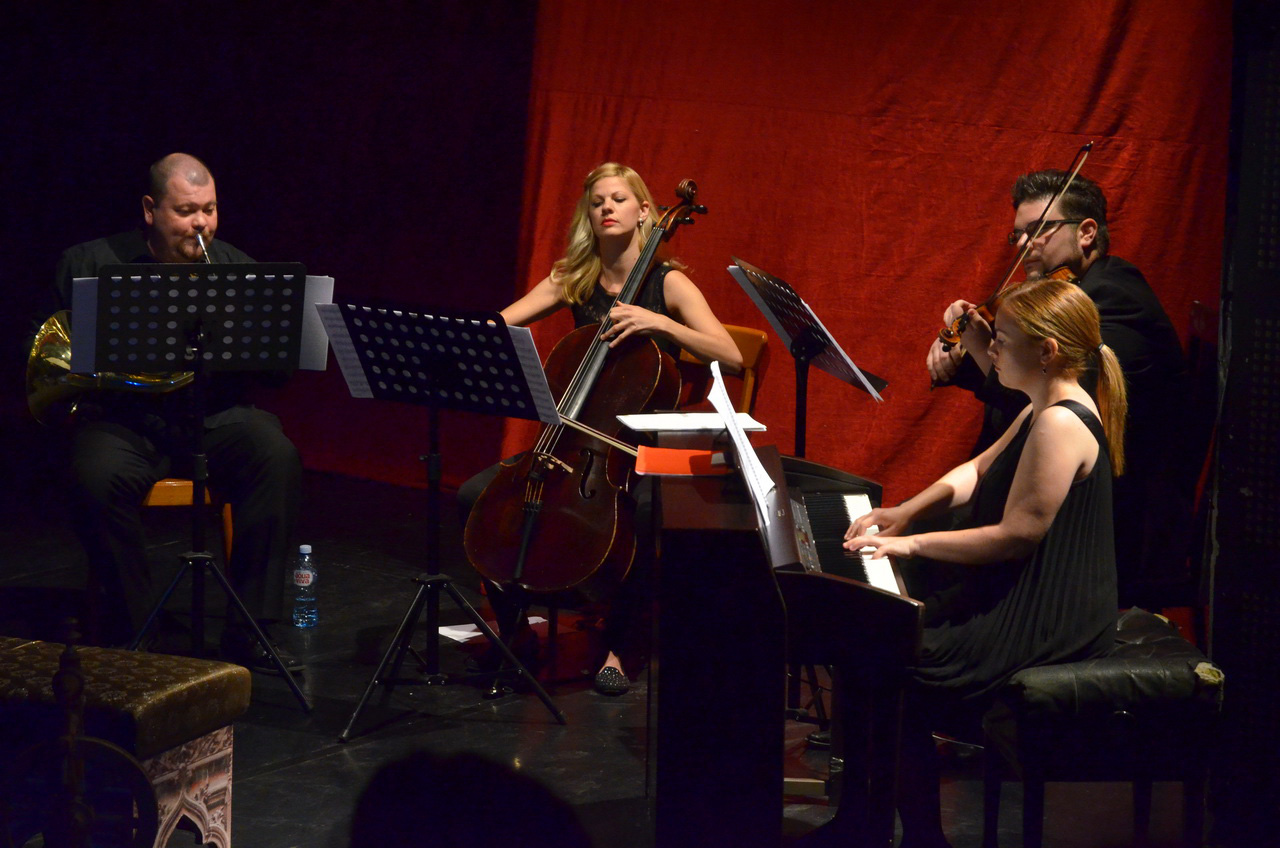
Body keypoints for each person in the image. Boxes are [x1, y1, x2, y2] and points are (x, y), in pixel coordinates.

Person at [845, 276, 1126, 848]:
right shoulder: (1040, 408)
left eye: (1002, 339)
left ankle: (916, 837)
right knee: (874, 641)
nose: (990, 348)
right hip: (1030, 594)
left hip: (1048, 617)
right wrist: (904, 511)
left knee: (890, 664)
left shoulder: (1061, 422)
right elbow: (976, 470)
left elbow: (1015, 536)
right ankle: (863, 825)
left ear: (1046, 351)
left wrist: (912, 544)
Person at [457, 162, 742, 695]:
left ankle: (624, 642)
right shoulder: (575, 278)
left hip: (649, 445)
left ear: (644, 212)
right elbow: (503, 322)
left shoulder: (668, 283)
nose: (607, 207)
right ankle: (516, 632)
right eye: (597, 202)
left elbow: (730, 353)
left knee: (646, 513)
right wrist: (457, 334)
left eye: (619, 199)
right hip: (578, 440)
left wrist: (660, 321)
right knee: (476, 495)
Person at [52, 152, 302, 673]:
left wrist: (270, 343)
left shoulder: (237, 269)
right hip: (123, 420)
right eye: (186, 211)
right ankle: (136, 629)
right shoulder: (90, 263)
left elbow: (276, 375)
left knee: (273, 453)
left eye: (209, 209)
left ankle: (251, 630)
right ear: (151, 210)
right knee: (94, 475)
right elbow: (47, 345)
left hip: (211, 418)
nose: (200, 224)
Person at [926, 169, 1188, 609]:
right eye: (1018, 234)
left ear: (1086, 233)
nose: (1024, 245)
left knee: (919, 573)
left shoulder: (1114, 301)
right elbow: (1026, 386)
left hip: (1096, 524)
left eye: (1039, 230)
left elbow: (1055, 406)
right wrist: (959, 357)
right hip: (1041, 495)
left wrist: (981, 349)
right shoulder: (1074, 291)